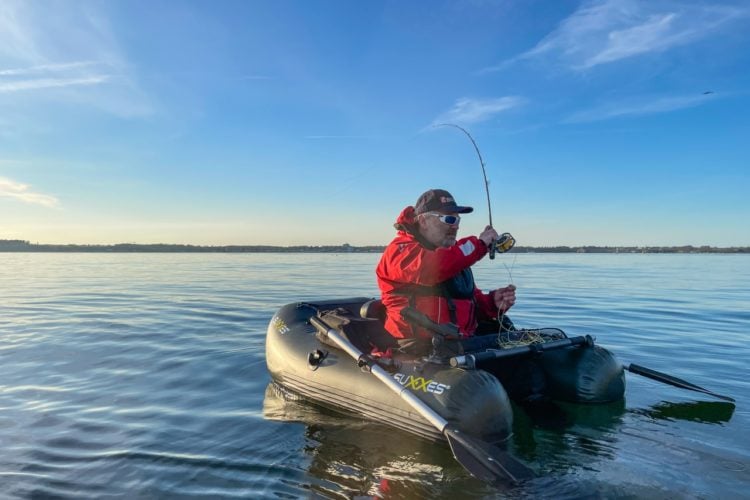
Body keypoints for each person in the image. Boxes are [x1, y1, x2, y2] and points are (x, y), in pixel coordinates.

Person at [375, 188, 517, 354]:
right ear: (423, 221)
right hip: (415, 348)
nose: (455, 227)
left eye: (457, 220)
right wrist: (479, 244)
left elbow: (471, 305)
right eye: (449, 219)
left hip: (458, 344)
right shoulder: (400, 251)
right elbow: (433, 268)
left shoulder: (454, 258)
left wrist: (493, 303)